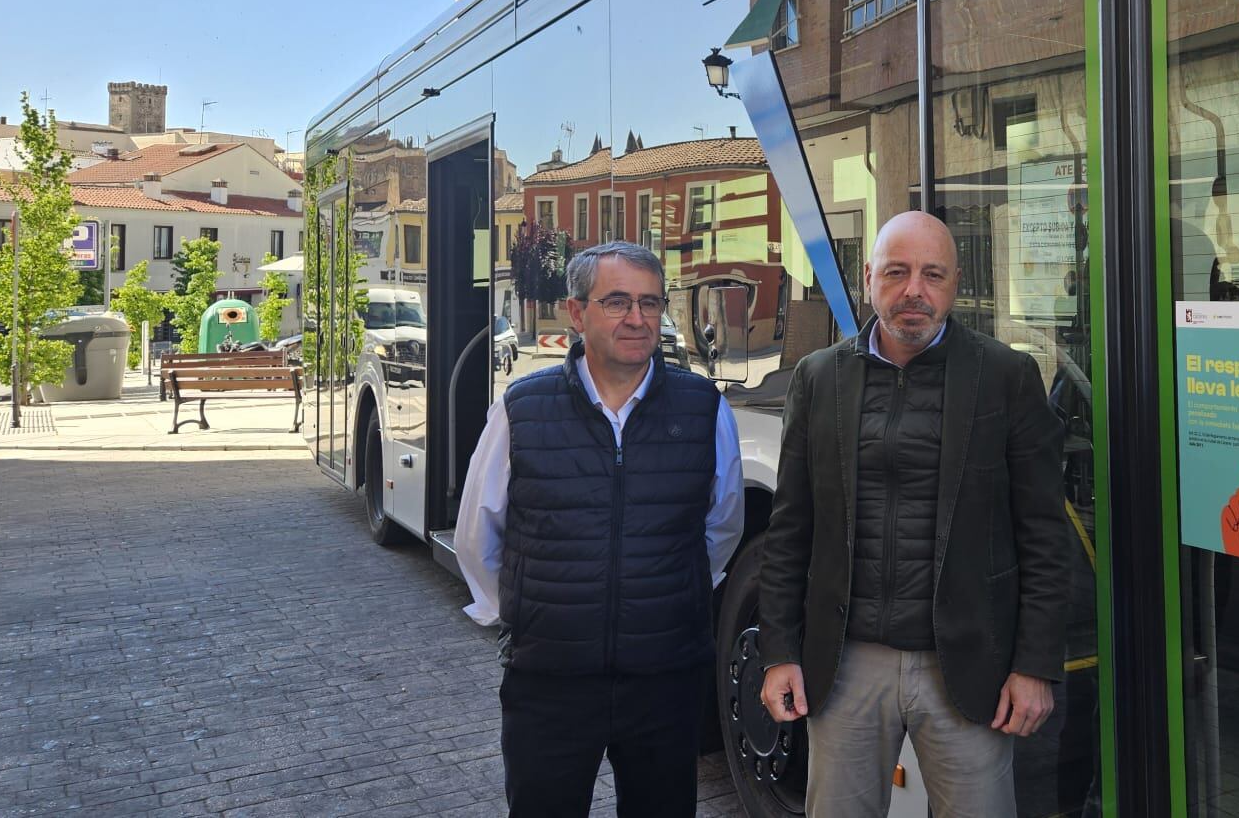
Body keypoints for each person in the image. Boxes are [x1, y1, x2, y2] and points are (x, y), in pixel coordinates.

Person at [756, 210, 1069, 817]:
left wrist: (1034, 664)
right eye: (896, 272)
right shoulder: (819, 379)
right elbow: (790, 530)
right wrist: (777, 652)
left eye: (933, 274)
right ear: (869, 276)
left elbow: (1043, 536)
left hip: (968, 668)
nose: (914, 291)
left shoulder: (1006, 377)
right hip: (844, 665)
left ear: (954, 283)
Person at [456, 240, 743, 817]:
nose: (637, 319)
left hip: (664, 682)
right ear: (577, 313)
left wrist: (662, 597)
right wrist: (525, 619)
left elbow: (721, 527)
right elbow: (477, 537)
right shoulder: (522, 411)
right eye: (616, 302)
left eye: (650, 303)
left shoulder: (705, 410)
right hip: (551, 684)